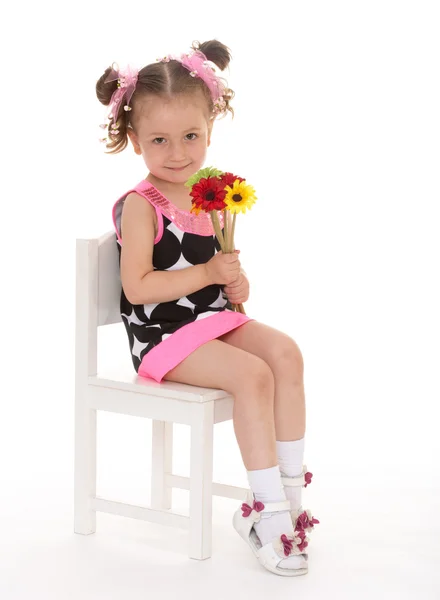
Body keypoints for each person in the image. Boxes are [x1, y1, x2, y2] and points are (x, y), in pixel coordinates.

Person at [95, 39, 319, 577]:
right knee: (251, 375)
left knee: (285, 354)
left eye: (190, 136)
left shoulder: (209, 192)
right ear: (134, 141)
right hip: (163, 336)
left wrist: (236, 284)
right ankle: (264, 512)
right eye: (160, 140)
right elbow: (139, 288)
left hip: (211, 323)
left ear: (210, 130)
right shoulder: (140, 206)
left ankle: (292, 499)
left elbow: (219, 275)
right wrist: (206, 276)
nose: (178, 153)